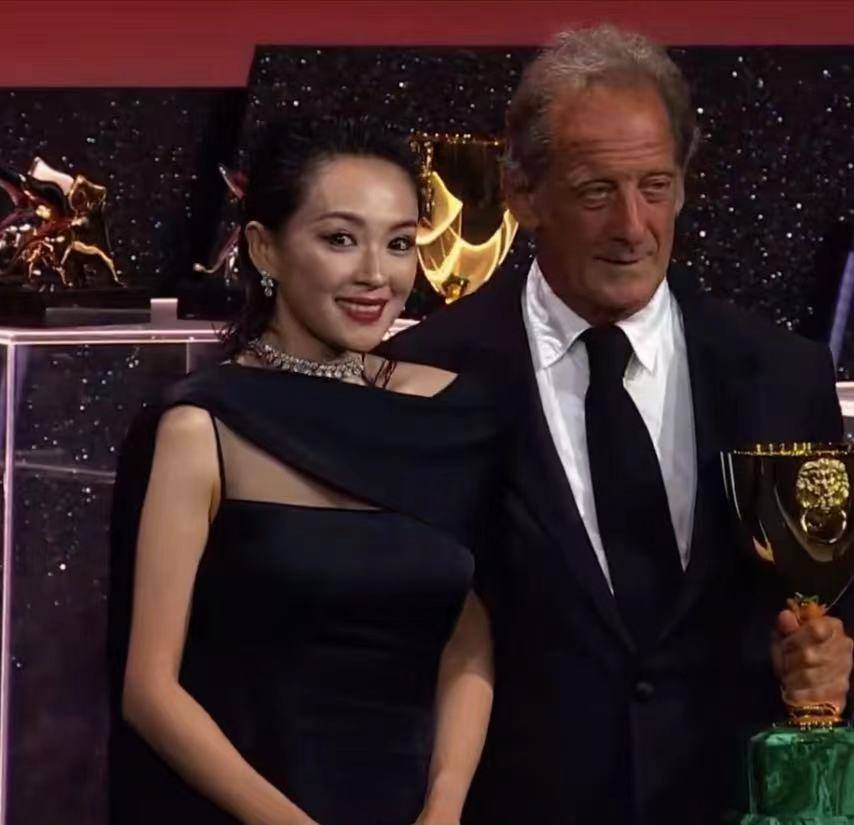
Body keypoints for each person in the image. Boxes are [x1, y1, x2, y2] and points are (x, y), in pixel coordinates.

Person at [383, 25, 854, 825]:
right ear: (524, 193)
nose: (633, 226)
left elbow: (834, 600)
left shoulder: (782, 373)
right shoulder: (424, 377)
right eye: (597, 191)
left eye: (656, 187)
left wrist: (834, 661)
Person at [108, 117, 503, 825]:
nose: (376, 275)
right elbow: (150, 689)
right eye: (340, 239)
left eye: (400, 243)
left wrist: (444, 806)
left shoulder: (453, 414)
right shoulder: (203, 426)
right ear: (265, 247)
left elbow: (466, 632)